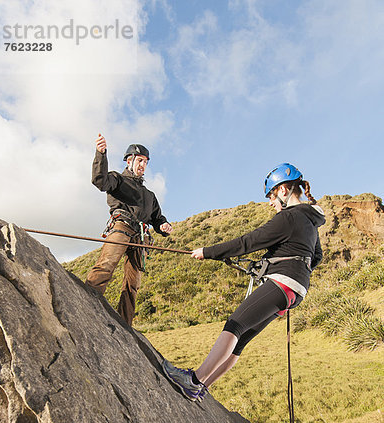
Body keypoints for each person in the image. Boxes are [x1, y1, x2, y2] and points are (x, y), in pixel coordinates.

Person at [163, 163, 325, 400]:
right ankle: (203, 387)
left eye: (271, 195)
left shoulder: (288, 218)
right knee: (242, 340)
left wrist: (208, 251)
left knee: (235, 325)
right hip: (296, 291)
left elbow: (248, 242)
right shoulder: (310, 222)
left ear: (283, 190)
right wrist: (279, 264)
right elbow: (316, 257)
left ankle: (194, 381)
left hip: (282, 283)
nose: (270, 202)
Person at [86, 134, 173, 325]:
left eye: (145, 162)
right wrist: (101, 154)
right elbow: (100, 181)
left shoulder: (149, 195)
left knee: (133, 284)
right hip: (122, 226)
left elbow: (157, 219)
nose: (143, 165)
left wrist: (164, 226)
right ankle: (85, 305)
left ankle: (125, 323)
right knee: (106, 266)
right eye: (139, 160)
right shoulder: (118, 179)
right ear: (129, 160)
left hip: (141, 238)